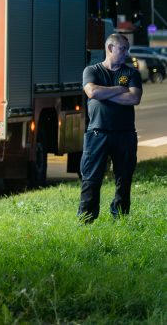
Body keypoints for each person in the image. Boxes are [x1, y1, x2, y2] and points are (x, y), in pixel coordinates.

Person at [78, 33, 142, 223]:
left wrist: (103, 94)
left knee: (124, 178)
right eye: (122, 49)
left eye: (127, 49)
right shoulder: (92, 71)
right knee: (91, 178)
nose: (126, 53)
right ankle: (87, 219)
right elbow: (92, 91)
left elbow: (134, 98)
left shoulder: (131, 73)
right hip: (97, 133)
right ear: (110, 48)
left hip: (125, 134)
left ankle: (120, 217)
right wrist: (119, 90)